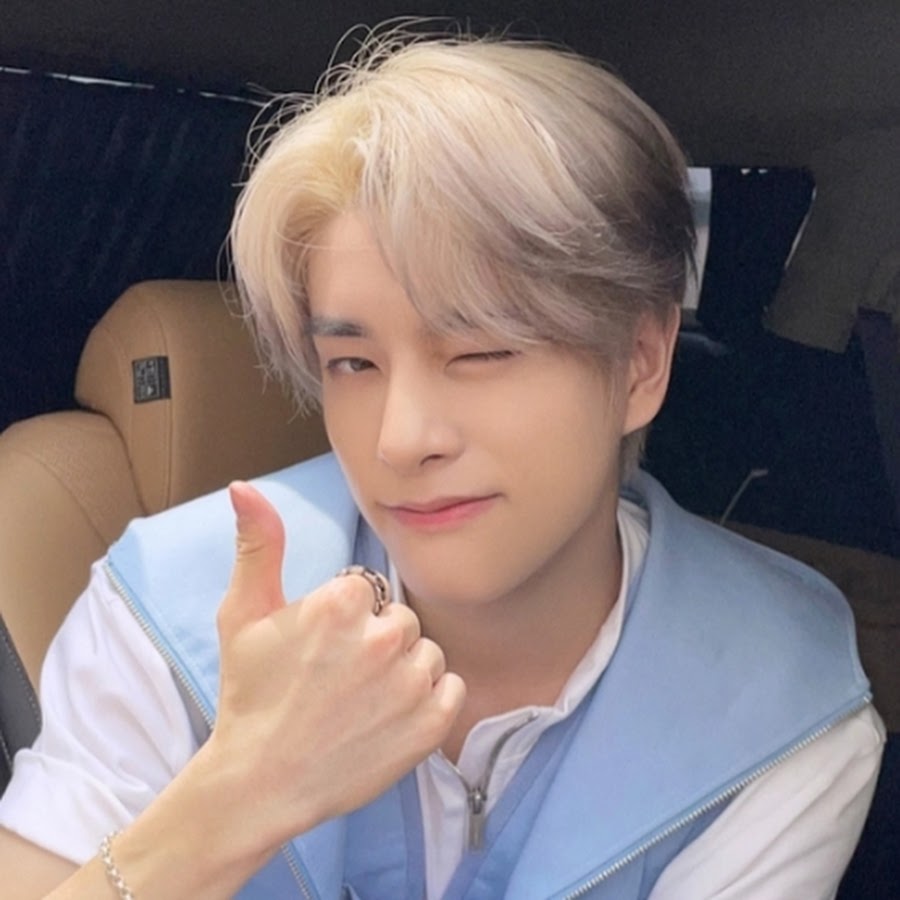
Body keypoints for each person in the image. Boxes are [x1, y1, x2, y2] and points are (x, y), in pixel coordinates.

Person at [0, 26, 885, 900]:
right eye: (354, 363)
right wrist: (239, 796)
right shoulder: (164, 615)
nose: (399, 438)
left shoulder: (784, 712)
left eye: (481, 352)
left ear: (641, 363)